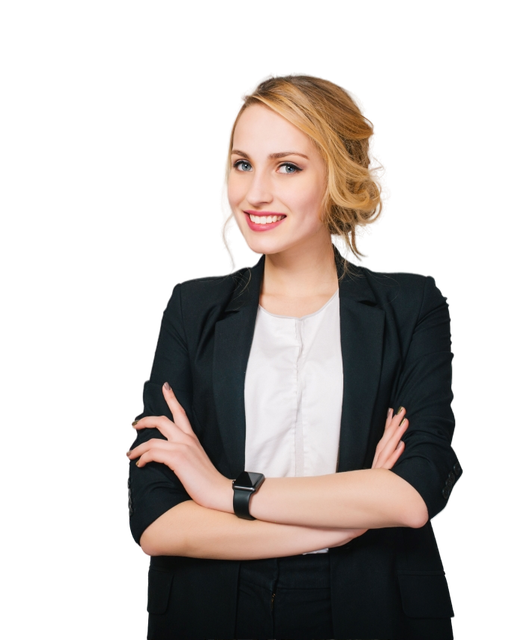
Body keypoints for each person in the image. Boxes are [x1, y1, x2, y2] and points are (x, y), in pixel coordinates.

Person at [127, 72, 460, 639]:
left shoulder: (411, 305)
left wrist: (223, 492)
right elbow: (157, 523)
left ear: (338, 177)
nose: (255, 193)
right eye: (243, 164)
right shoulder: (191, 307)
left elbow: (411, 495)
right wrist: (346, 523)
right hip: (213, 610)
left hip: (373, 609)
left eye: (287, 166)